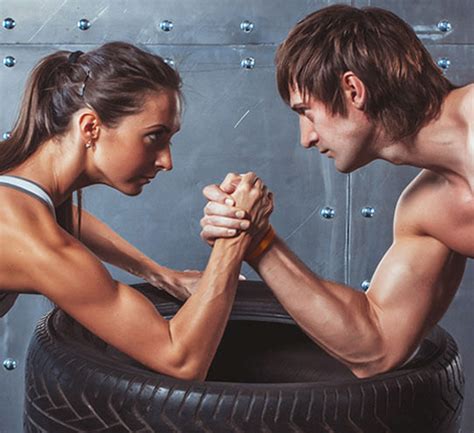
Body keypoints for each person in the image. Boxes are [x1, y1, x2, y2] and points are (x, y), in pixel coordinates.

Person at [200, 5, 473, 378]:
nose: (306, 138)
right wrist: (259, 242)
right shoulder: (426, 211)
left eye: (307, 112)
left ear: (352, 90)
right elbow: (376, 346)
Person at [0, 42, 272, 380]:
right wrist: (234, 239)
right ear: (90, 128)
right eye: (154, 137)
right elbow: (181, 360)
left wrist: (158, 272)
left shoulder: (19, 190)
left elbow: (68, 221)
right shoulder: (33, 240)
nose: (166, 161)